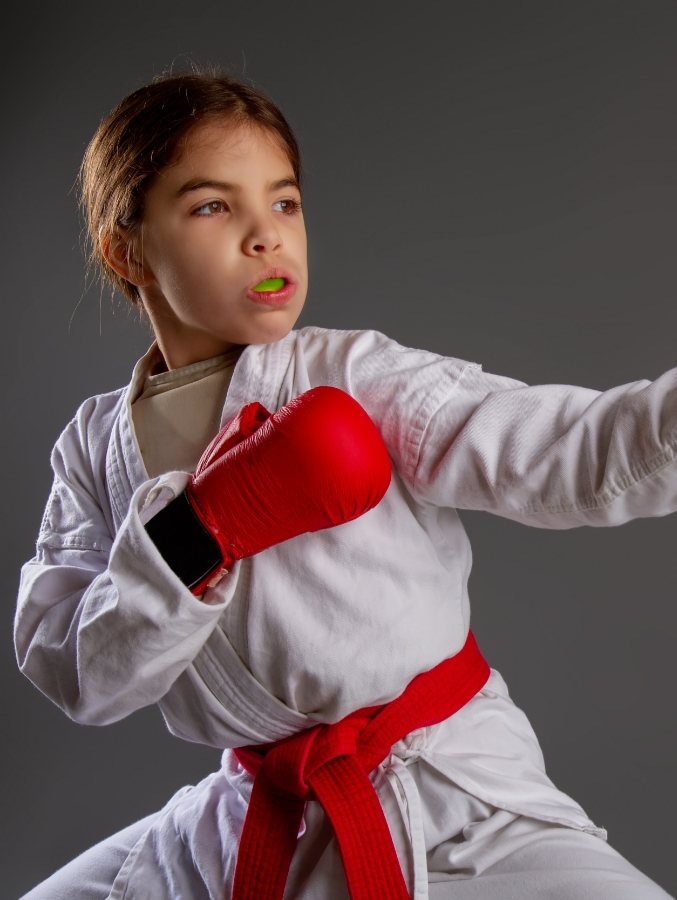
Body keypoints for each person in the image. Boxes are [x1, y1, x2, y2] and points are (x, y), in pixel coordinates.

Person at [14, 68, 676, 900]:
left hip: (453, 800)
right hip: (256, 814)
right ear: (127, 248)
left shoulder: (353, 375)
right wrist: (201, 527)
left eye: (284, 203)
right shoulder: (91, 444)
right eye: (213, 206)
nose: (267, 236)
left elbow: (568, 452)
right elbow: (79, 673)